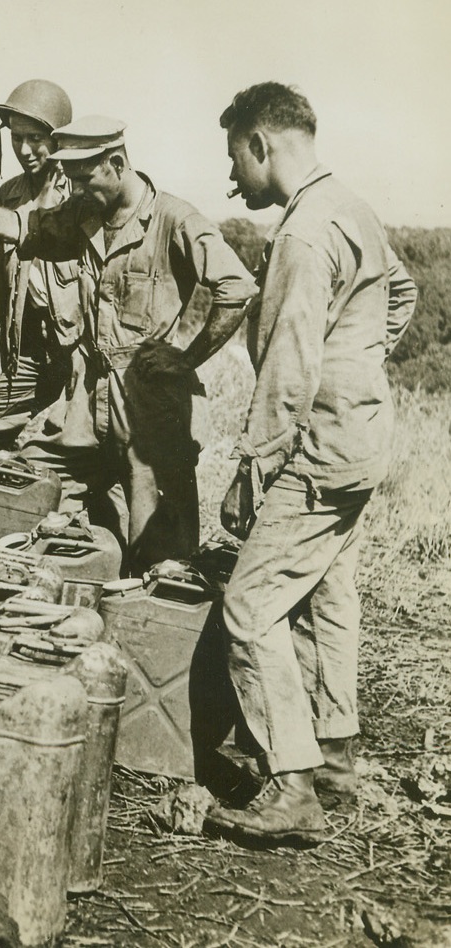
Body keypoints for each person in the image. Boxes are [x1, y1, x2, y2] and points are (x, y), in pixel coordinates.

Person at [203, 82, 417, 845]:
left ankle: (292, 786)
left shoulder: (302, 233)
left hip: (321, 448)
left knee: (250, 605)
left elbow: (289, 365)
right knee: (328, 588)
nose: (233, 178)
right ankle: (335, 752)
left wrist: (252, 464)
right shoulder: (351, 207)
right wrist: (358, 364)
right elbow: (401, 292)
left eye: (236, 156)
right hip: (362, 436)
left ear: (262, 144)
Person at [0, 115, 257, 575]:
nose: (77, 190)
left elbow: (237, 288)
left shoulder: (174, 219)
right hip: (87, 402)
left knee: (157, 556)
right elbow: (16, 227)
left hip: (150, 411)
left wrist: (186, 358)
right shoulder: (84, 215)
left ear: (117, 164)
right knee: (31, 486)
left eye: (86, 179)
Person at [0, 79, 81, 460]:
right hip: (31, 351)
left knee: (78, 444)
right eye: (16, 138)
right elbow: (0, 283)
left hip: (77, 352)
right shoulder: (9, 193)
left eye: (35, 139)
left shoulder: (82, 191)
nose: (24, 150)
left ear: (57, 138)